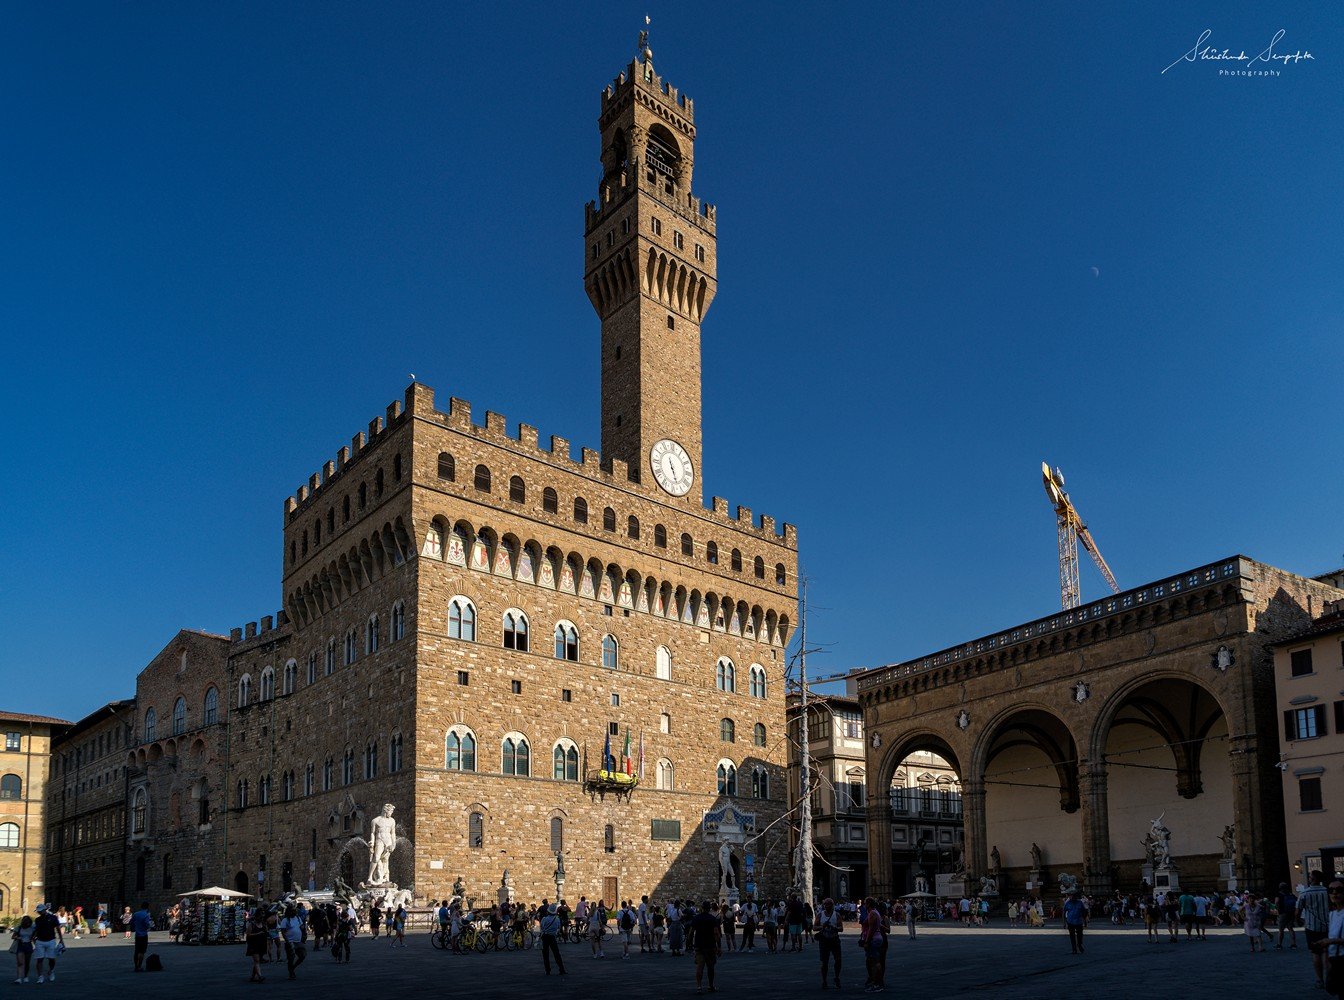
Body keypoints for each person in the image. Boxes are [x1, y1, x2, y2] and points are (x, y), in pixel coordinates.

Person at [1309, 880, 1344, 997]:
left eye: (1339, 890)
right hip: (1335, 961)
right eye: (1331, 890)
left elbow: (1334, 939)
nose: (1334, 893)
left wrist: (1330, 941)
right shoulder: (1332, 914)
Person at [1301, 871, 1331, 989]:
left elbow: (1298, 910)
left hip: (1312, 927)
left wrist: (1299, 920)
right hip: (1327, 925)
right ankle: (1328, 978)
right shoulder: (1326, 892)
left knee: (1315, 953)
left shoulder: (1305, 893)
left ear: (1311, 879)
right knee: (1326, 953)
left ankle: (1319, 979)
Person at [690, 900, 722, 995]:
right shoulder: (712, 919)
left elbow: (691, 933)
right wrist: (719, 947)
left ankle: (699, 987)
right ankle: (710, 985)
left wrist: (690, 944)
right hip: (710, 945)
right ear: (709, 909)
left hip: (699, 945)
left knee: (700, 966)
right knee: (710, 967)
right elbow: (716, 933)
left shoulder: (696, 918)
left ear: (702, 908)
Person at [814, 897, 843, 990]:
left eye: (829, 904)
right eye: (825, 904)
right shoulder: (820, 915)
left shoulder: (837, 915)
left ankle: (837, 977)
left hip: (834, 939)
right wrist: (823, 926)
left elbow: (841, 928)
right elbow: (814, 927)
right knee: (824, 962)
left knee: (838, 960)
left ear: (832, 905)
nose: (827, 906)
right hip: (824, 940)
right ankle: (824, 980)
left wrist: (834, 927)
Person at [858, 896, 885, 993]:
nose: (864, 905)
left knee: (875, 962)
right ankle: (876, 982)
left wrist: (867, 941)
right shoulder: (874, 912)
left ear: (868, 904)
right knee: (873, 961)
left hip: (873, 939)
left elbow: (871, 929)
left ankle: (877, 984)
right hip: (876, 938)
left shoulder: (872, 913)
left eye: (865, 903)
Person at [279, 904, 306, 980]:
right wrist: (287, 941)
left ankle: (293, 967)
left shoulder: (298, 918)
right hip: (290, 942)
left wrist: (303, 930)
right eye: (293, 910)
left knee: (303, 955)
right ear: (289, 911)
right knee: (291, 958)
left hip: (298, 941)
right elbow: (283, 932)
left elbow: (301, 927)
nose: (295, 912)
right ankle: (291, 972)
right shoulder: (285, 920)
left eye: (295, 910)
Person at [539, 903, 566, 975]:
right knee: (556, 953)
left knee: (545, 954)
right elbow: (558, 928)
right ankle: (561, 969)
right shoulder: (557, 919)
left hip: (545, 937)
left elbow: (541, 927)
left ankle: (547, 970)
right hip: (552, 937)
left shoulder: (544, 919)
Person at [245, 906, 269, 981]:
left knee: (257, 961)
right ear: (256, 916)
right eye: (260, 917)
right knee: (257, 961)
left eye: (262, 917)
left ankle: (253, 977)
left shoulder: (264, 924)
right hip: (253, 945)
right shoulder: (251, 924)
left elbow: (266, 933)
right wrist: (258, 933)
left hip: (261, 944)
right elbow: (248, 934)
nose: (261, 918)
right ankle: (260, 976)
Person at [11, 915, 36, 983]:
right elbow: (13, 936)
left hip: (28, 945)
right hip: (20, 945)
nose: (26, 924)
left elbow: (33, 937)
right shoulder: (19, 928)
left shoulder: (32, 928)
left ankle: (25, 976)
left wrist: (35, 943)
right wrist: (18, 938)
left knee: (27, 962)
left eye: (28, 923)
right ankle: (19, 978)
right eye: (25, 923)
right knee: (20, 962)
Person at [1275, 882, 1299, 949]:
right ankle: (1293, 944)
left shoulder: (1279, 894)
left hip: (1283, 913)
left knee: (1281, 929)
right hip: (1291, 912)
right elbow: (1297, 900)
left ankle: (1279, 944)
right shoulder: (1290, 894)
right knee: (1291, 928)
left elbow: (1276, 902)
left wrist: (1278, 909)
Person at [130, 900, 153, 972]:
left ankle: (136, 966)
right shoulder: (146, 915)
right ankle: (139, 966)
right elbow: (147, 925)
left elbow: (131, 922)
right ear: (147, 907)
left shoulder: (136, 914)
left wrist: (135, 927)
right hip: (143, 934)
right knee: (142, 952)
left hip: (137, 934)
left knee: (136, 951)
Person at [1063, 891, 1088, 955]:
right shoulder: (1067, 903)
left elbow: (1084, 911)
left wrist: (1085, 920)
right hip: (1070, 921)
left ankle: (1079, 944)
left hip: (1079, 921)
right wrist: (1064, 923)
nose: (1072, 898)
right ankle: (1074, 949)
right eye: (1071, 896)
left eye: (1074, 896)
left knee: (1080, 935)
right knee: (1072, 936)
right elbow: (1064, 912)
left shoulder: (1080, 903)